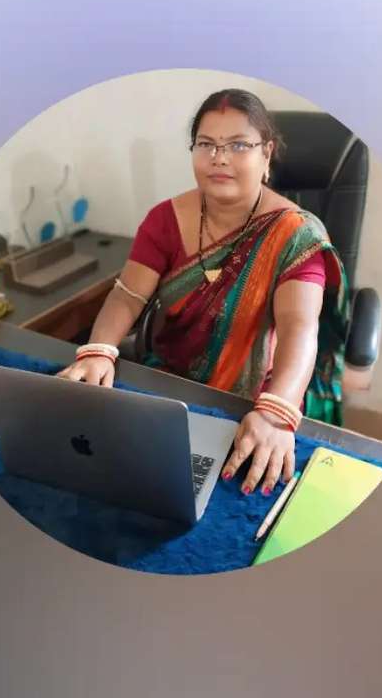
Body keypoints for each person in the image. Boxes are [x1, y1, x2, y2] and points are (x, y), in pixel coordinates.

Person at [57, 89, 350, 496]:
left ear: (266, 154)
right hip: (170, 384)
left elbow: (299, 328)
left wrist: (276, 413)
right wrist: (99, 351)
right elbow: (127, 295)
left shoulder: (295, 235)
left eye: (238, 145)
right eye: (206, 144)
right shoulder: (164, 220)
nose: (219, 158)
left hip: (256, 400)